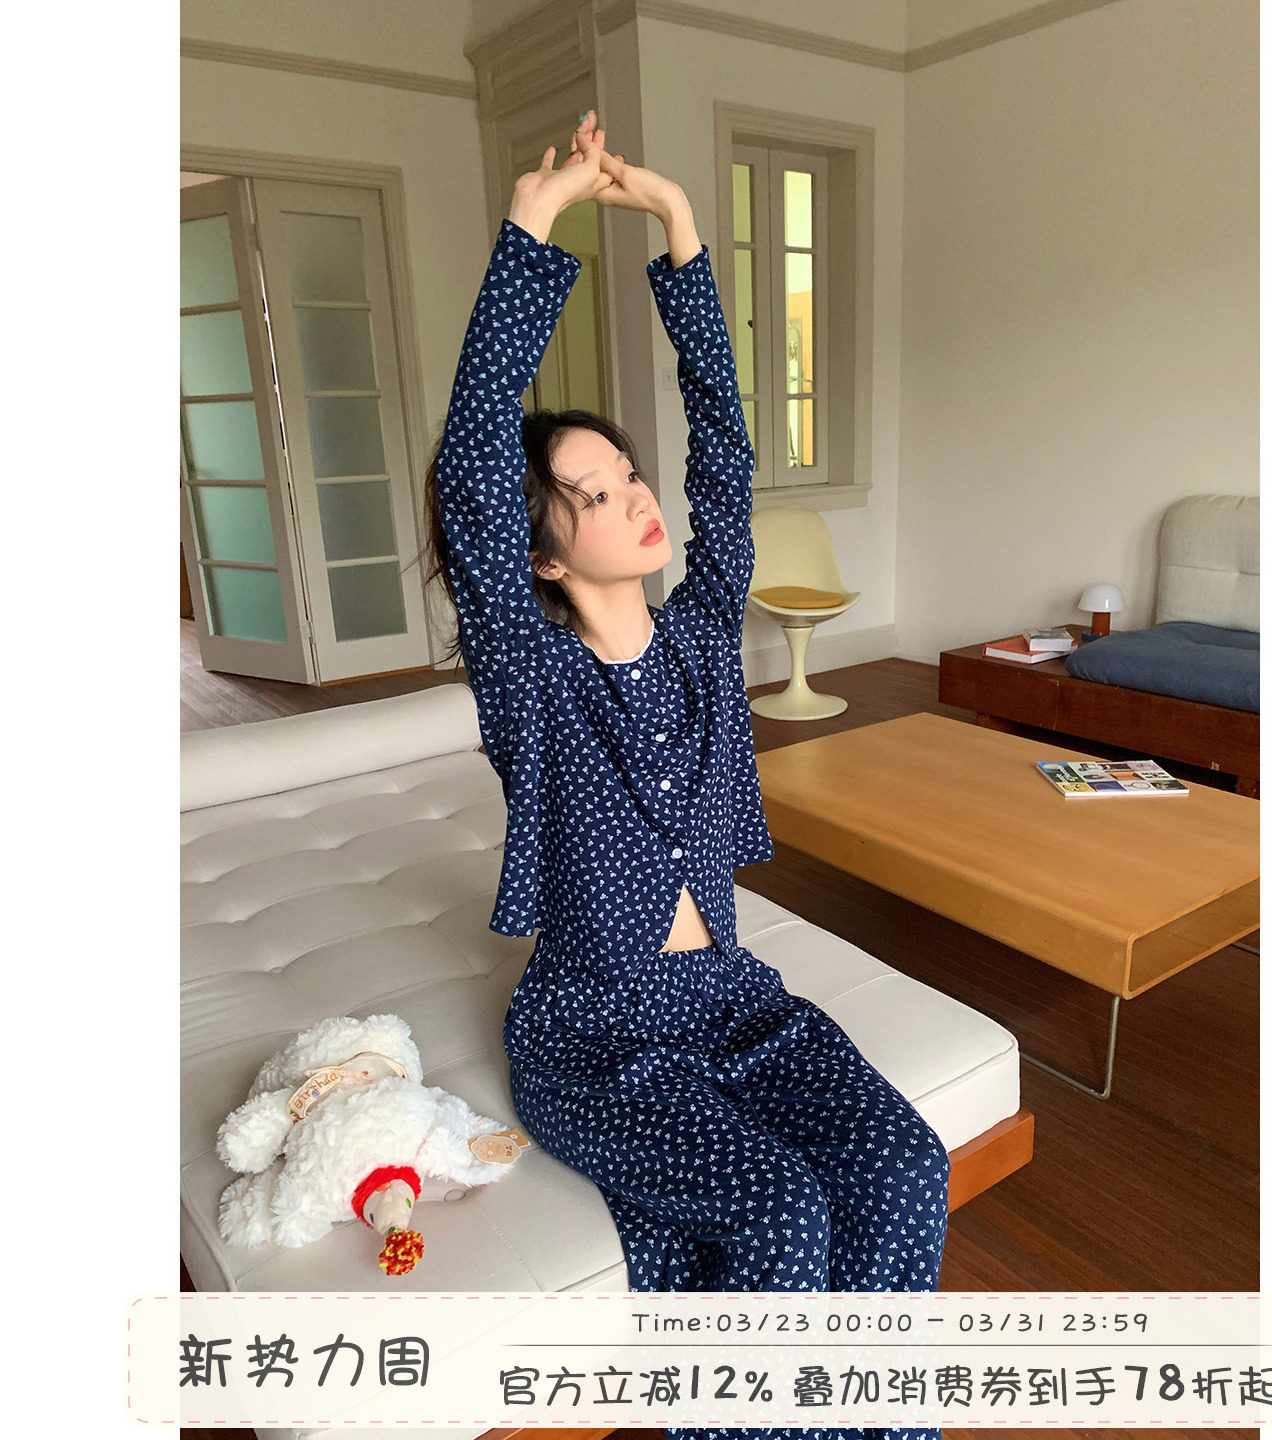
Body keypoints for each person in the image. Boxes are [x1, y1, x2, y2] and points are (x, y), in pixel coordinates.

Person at [427, 111, 949, 1440]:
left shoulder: (708, 638)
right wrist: (533, 225)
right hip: (597, 1039)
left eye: (628, 474)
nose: (635, 496)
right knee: (779, 1214)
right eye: (593, 494)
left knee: (902, 1169)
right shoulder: (532, 680)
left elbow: (727, 452)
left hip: (733, 1001)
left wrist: (681, 233)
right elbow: (475, 480)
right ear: (545, 556)